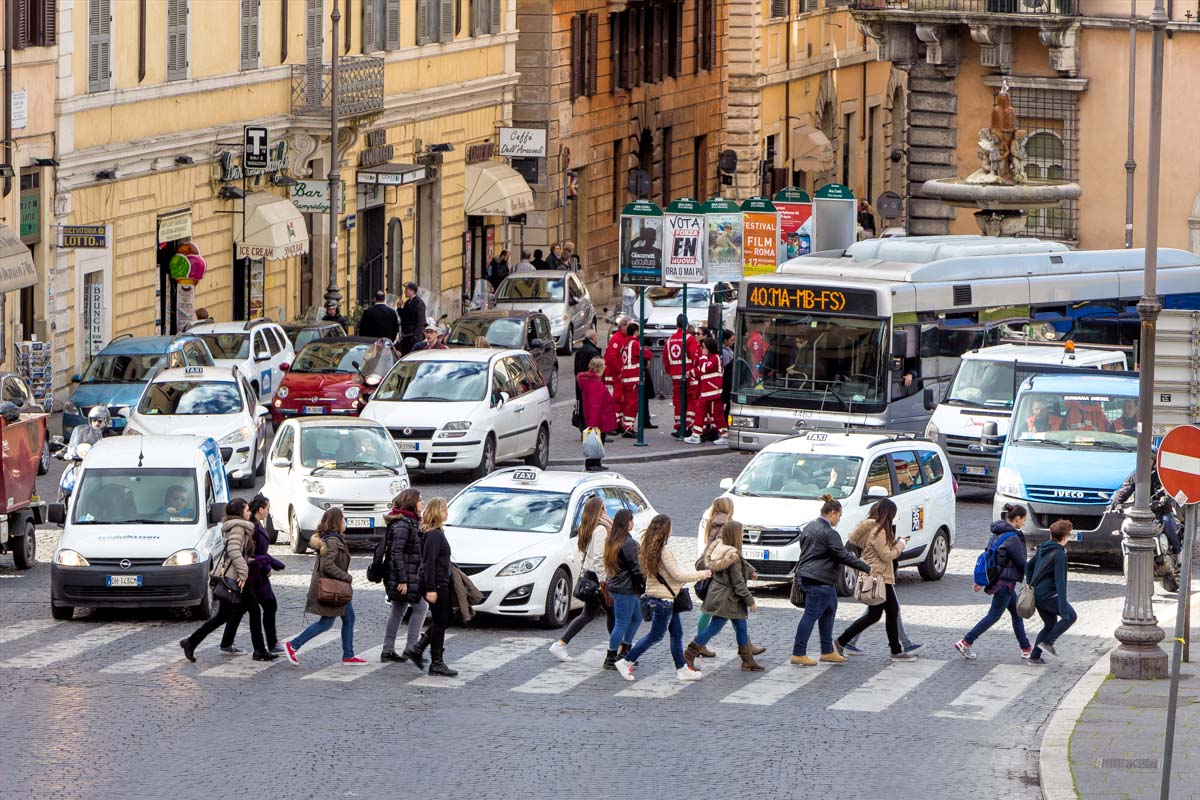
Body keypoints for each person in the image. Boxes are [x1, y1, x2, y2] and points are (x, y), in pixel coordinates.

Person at [613, 515, 710, 682]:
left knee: (677, 634)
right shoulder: (664, 552)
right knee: (656, 635)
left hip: (662, 598)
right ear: (665, 530)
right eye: (670, 527)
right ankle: (626, 661)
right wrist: (703, 574)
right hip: (663, 600)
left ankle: (682, 669)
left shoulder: (647, 549)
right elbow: (678, 575)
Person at [179, 498, 276, 662]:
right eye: (246, 510)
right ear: (240, 513)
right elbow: (233, 550)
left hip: (234, 577)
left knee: (224, 616)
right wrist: (244, 573)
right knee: (253, 611)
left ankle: (191, 641)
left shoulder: (238, 526)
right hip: (236, 579)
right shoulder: (239, 527)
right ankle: (259, 650)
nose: (249, 512)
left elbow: (239, 553)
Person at [832, 499, 918, 662]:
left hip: (880, 576)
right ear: (888, 514)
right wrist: (901, 544)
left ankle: (844, 642)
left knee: (883, 613)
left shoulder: (875, 529)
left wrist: (895, 542)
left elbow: (881, 550)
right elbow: (887, 556)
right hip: (880, 577)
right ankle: (843, 642)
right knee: (881, 614)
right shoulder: (878, 531)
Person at [791, 494, 870, 666]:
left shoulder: (809, 527)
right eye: (839, 515)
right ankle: (799, 653)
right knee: (811, 615)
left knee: (829, 610)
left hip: (812, 577)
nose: (839, 519)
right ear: (832, 512)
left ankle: (827, 651)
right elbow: (842, 555)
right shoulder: (829, 533)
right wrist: (866, 567)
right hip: (820, 579)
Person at [284, 508, 367, 666]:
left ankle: (348, 655)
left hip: (337, 589)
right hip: (334, 589)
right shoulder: (332, 541)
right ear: (337, 522)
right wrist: (347, 577)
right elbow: (327, 566)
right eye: (343, 519)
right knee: (326, 622)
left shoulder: (331, 539)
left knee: (349, 618)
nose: (345, 522)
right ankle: (293, 645)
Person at [954, 503, 1033, 660]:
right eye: (1024, 520)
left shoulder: (997, 534)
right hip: (1004, 583)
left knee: (1017, 614)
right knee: (994, 615)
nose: (1024, 523)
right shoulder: (1013, 538)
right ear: (1017, 518)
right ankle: (966, 641)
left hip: (1000, 582)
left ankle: (1026, 648)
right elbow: (1021, 562)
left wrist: (981, 580)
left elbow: (992, 559)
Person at [685, 520, 762, 673]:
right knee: (714, 628)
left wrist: (750, 570)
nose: (743, 535)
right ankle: (689, 654)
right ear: (735, 535)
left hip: (722, 596)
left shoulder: (721, 548)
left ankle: (748, 661)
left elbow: (742, 565)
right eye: (741, 533)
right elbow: (738, 582)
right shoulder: (732, 555)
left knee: (741, 627)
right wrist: (750, 601)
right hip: (726, 599)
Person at [548, 496, 613, 661]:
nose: (606, 511)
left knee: (589, 614)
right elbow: (598, 557)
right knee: (612, 615)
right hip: (598, 577)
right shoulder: (601, 529)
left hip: (591, 575)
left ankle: (561, 644)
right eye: (604, 507)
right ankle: (617, 651)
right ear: (600, 510)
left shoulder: (589, 527)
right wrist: (603, 581)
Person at [402, 497, 458, 676]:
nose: (447, 513)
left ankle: (418, 649)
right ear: (438, 511)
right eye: (445, 509)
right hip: (436, 584)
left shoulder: (436, 532)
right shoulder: (433, 534)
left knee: (446, 618)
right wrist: (431, 588)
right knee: (442, 621)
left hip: (440, 582)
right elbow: (428, 563)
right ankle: (436, 662)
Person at [231, 494, 285, 655]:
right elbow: (253, 553)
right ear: (260, 509)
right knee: (267, 606)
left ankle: (227, 642)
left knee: (240, 610)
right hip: (255, 574)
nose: (268, 511)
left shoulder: (256, 524)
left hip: (256, 573)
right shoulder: (252, 527)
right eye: (267, 508)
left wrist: (273, 563)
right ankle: (268, 645)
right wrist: (267, 566)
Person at [380, 489, 428, 663]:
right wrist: (402, 579)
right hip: (404, 576)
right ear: (411, 502)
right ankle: (411, 649)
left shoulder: (409, 521)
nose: (422, 503)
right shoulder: (403, 524)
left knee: (398, 609)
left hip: (406, 574)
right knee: (421, 608)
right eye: (420, 500)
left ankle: (388, 650)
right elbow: (396, 553)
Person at [1026, 520, 1076, 665]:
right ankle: (1048, 642)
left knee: (1049, 624)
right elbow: (1060, 582)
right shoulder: (1060, 554)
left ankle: (1034, 656)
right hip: (1048, 595)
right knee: (1070, 617)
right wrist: (1063, 608)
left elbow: (1028, 566)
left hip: (1037, 594)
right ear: (1065, 537)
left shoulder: (1043, 548)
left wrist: (1031, 584)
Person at [603, 509, 643, 671]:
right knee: (621, 623)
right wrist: (644, 583)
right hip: (624, 588)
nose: (633, 523)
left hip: (618, 585)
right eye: (632, 520)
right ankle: (611, 656)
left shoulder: (613, 539)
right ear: (627, 523)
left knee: (637, 617)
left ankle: (625, 651)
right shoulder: (628, 543)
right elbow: (636, 568)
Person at [1111, 460, 1180, 554]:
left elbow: (1168, 488)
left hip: (1161, 510)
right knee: (1127, 526)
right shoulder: (1136, 474)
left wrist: (1163, 499)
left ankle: (1178, 551)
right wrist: (1116, 502)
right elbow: (1125, 488)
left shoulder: (1161, 474)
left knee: (1168, 524)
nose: (1147, 461)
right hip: (1141, 510)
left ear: (1154, 461)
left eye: (1150, 459)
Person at [665, 314, 700, 438]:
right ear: (687, 325)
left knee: (678, 401)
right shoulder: (689, 339)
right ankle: (688, 425)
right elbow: (694, 356)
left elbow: (665, 359)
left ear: (676, 324)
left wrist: (671, 372)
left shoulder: (669, 340)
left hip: (675, 376)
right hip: (688, 374)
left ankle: (679, 425)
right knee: (691, 399)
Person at [578, 357, 617, 471]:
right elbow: (595, 405)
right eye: (603, 366)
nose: (605, 368)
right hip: (599, 419)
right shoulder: (595, 383)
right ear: (599, 368)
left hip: (599, 418)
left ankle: (597, 462)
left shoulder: (592, 381)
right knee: (596, 442)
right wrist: (593, 424)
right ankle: (592, 464)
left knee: (598, 441)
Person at [686, 339, 727, 445]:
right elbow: (700, 369)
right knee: (700, 412)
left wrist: (703, 356)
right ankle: (696, 435)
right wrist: (691, 373)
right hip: (707, 392)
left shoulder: (715, 358)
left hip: (715, 392)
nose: (702, 349)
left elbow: (704, 368)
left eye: (703, 347)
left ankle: (724, 435)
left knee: (717, 414)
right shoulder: (710, 358)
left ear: (709, 348)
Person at [618, 322, 647, 436]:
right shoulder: (634, 344)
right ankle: (628, 427)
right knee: (632, 404)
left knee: (627, 403)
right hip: (633, 378)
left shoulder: (625, 343)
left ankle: (626, 425)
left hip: (625, 378)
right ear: (635, 332)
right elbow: (647, 354)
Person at [573, 328, 604, 428]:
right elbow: (597, 371)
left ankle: (584, 429)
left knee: (582, 408)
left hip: (580, 386)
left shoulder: (579, 351)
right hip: (591, 386)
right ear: (593, 337)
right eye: (596, 336)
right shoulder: (593, 352)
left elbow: (576, 370)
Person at [604, 319, 628, 428]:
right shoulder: (616, 338)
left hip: (618, 374)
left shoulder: (623, 338)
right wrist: (619, 371)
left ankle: (618, 422)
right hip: (614, 374)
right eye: (628, 326)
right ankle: (612, 423)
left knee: (620, 399)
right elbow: (612, 357)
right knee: (615, 399)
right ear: (622, 326)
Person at [397, 282, 427, 355]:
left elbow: (421, 322)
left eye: (406, 290)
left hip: (413, 338)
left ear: (412, 291)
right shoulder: (407, 302)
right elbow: (404, 317)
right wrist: (399, 308)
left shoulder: (419, 303)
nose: (404, 292)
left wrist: (416, 337)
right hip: (405, 336)